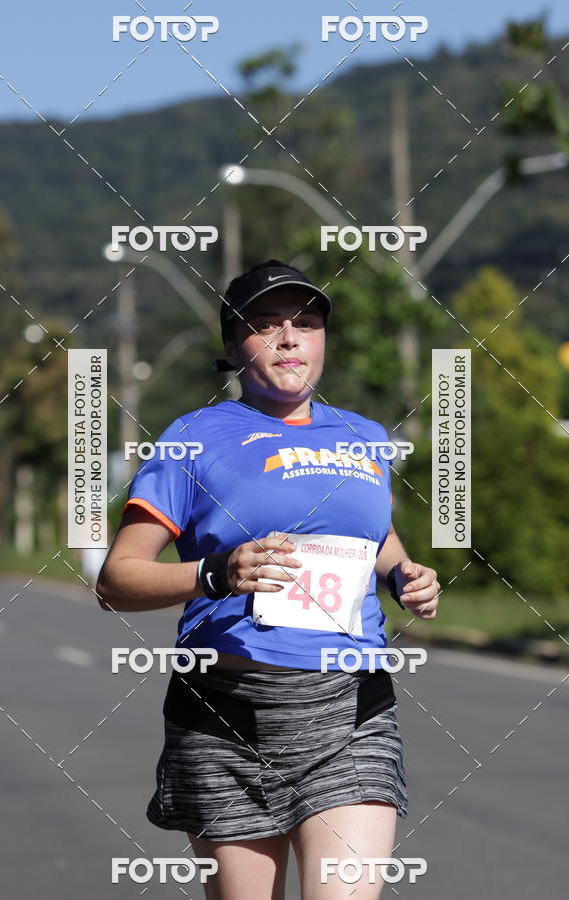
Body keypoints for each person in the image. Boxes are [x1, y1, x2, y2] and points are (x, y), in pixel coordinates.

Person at [97, 259, 439, 899]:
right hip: (226, 717)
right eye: (264, 325)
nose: (289, 338)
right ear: (233, 347)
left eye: (306, 324)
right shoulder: (191, 440)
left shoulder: (363, 438)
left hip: (350, 711)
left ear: (322, 342)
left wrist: (405, 576)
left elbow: (377, 538)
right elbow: (117, 579)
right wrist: (217, 573)